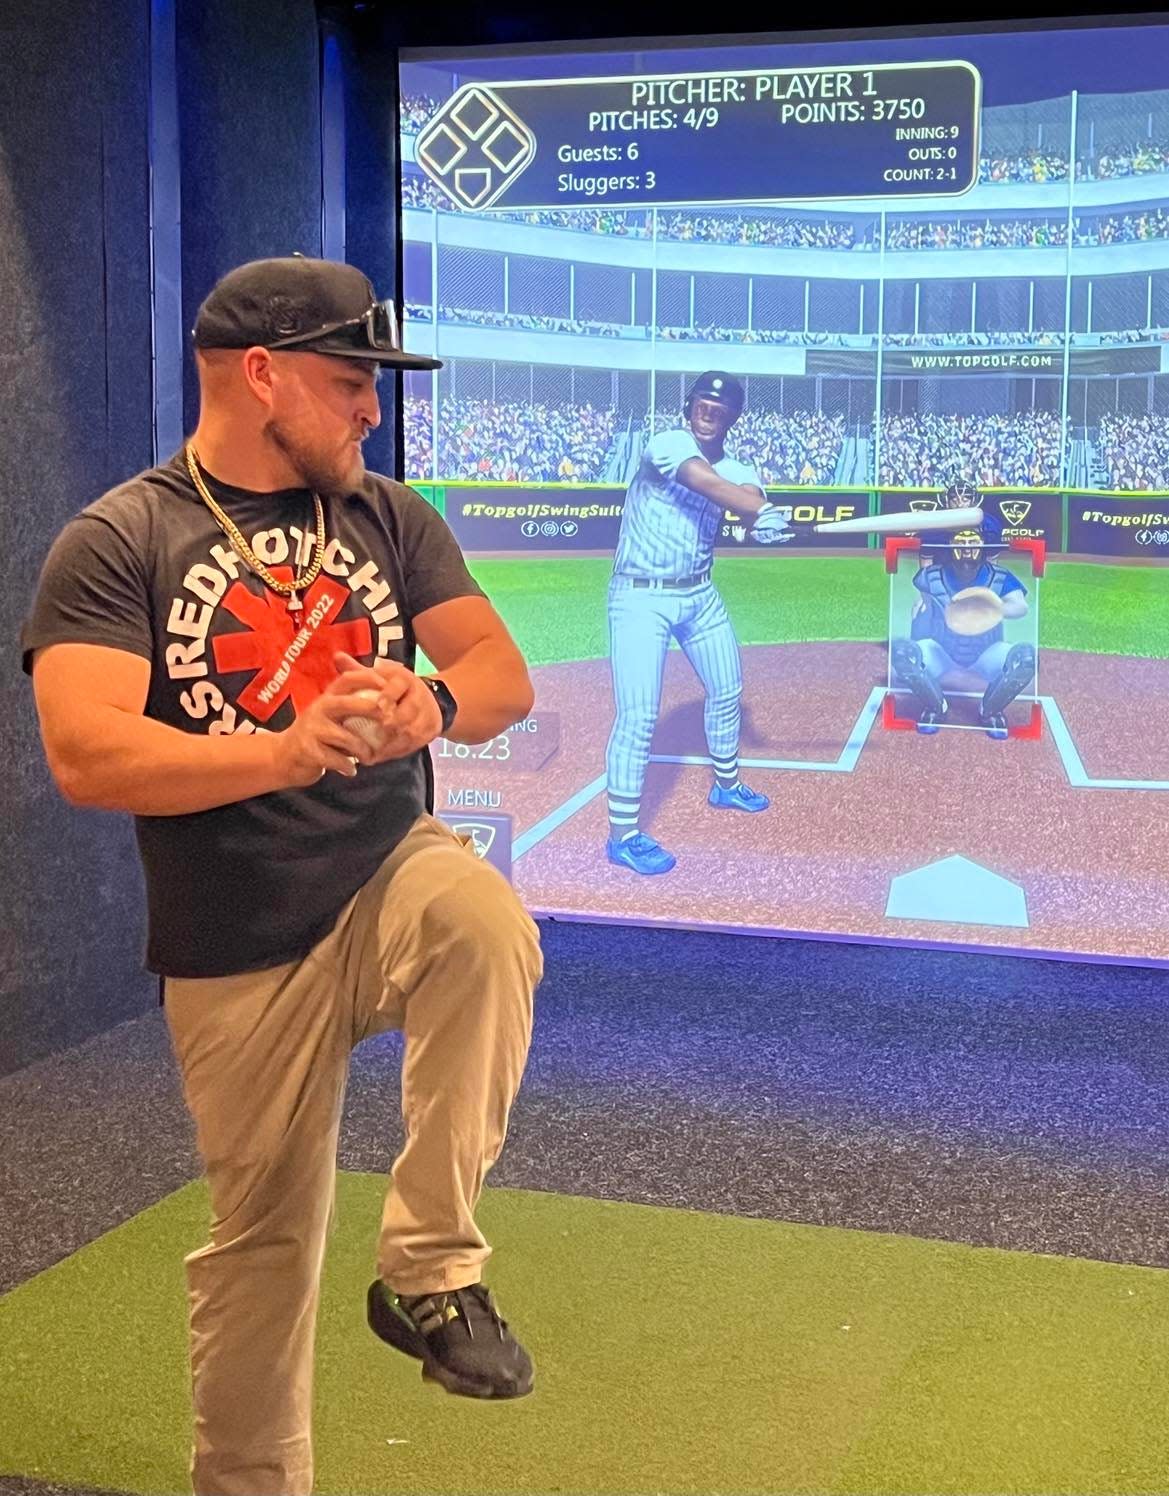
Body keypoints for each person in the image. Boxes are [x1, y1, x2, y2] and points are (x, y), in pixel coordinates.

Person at [21, 256, 544, 1496]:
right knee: (261, 1254)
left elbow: (502, 676)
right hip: (233, 938)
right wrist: (282, 748)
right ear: (261, 375)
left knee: (482, 920)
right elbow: (86, 752)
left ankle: (427, 1269)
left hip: (383, 871)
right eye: (350, 379)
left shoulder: (387, 517)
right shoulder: (121, 537)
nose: (373, 408)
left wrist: (435, 699)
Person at [603, 372, 792, 875]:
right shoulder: (670, 443)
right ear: (689, 406)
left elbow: (745, 499)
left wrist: (763, 525)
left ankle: (726, 784)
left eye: (721, 405)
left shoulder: (739, 467)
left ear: (733, 415)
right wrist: (762, 509)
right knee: (639, 716)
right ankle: (623, 835)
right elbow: (706, 483)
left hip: (699, 594)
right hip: (640, 597)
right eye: (703, 402)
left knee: (728, 689)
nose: (710, 410)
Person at [892, 482, 1033, 740]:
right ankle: (936, 705)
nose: (967, 547)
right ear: (949, 545)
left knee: (1024, 659)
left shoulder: (995, 576)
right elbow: (925, 567)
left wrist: (994, 608)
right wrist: (922, 597)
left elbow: (1019, 604)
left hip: (984, 649)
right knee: (903, 652)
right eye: (960, 542)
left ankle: (990, 709)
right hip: (942, 645)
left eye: (973, 541)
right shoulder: (933, 576)